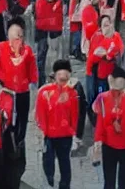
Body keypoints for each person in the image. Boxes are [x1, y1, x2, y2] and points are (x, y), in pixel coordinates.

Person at [35, 59, 78, 189]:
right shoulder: (44, 92)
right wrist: (42, 132)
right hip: (49, 134)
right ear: (55, 75)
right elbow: (40, 113)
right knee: (48, 163)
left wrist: (74, 133)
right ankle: (49, 184)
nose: (63, 77)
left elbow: (75, 115)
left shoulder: (73, 93)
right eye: (60, 74)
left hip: (65, 134)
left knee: (65, 163)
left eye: (65, 75)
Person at [0, 19, 36, 144]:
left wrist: (32, 85)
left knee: (22, 120)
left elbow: (32, 71)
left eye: (19, 36)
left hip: (23, 91)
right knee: (6, 120)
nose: (15, 39)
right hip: (7, 91)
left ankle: (19, 142)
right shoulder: (0, 48)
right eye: (12, 35)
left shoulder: (28, 51)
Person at [93, 67, 125, 189]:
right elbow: (100, 121)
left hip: (123, 145)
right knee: (114, 182)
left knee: (118, 182)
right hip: (112, 145)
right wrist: (98, 143)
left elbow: (99, 120)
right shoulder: (103, 98)